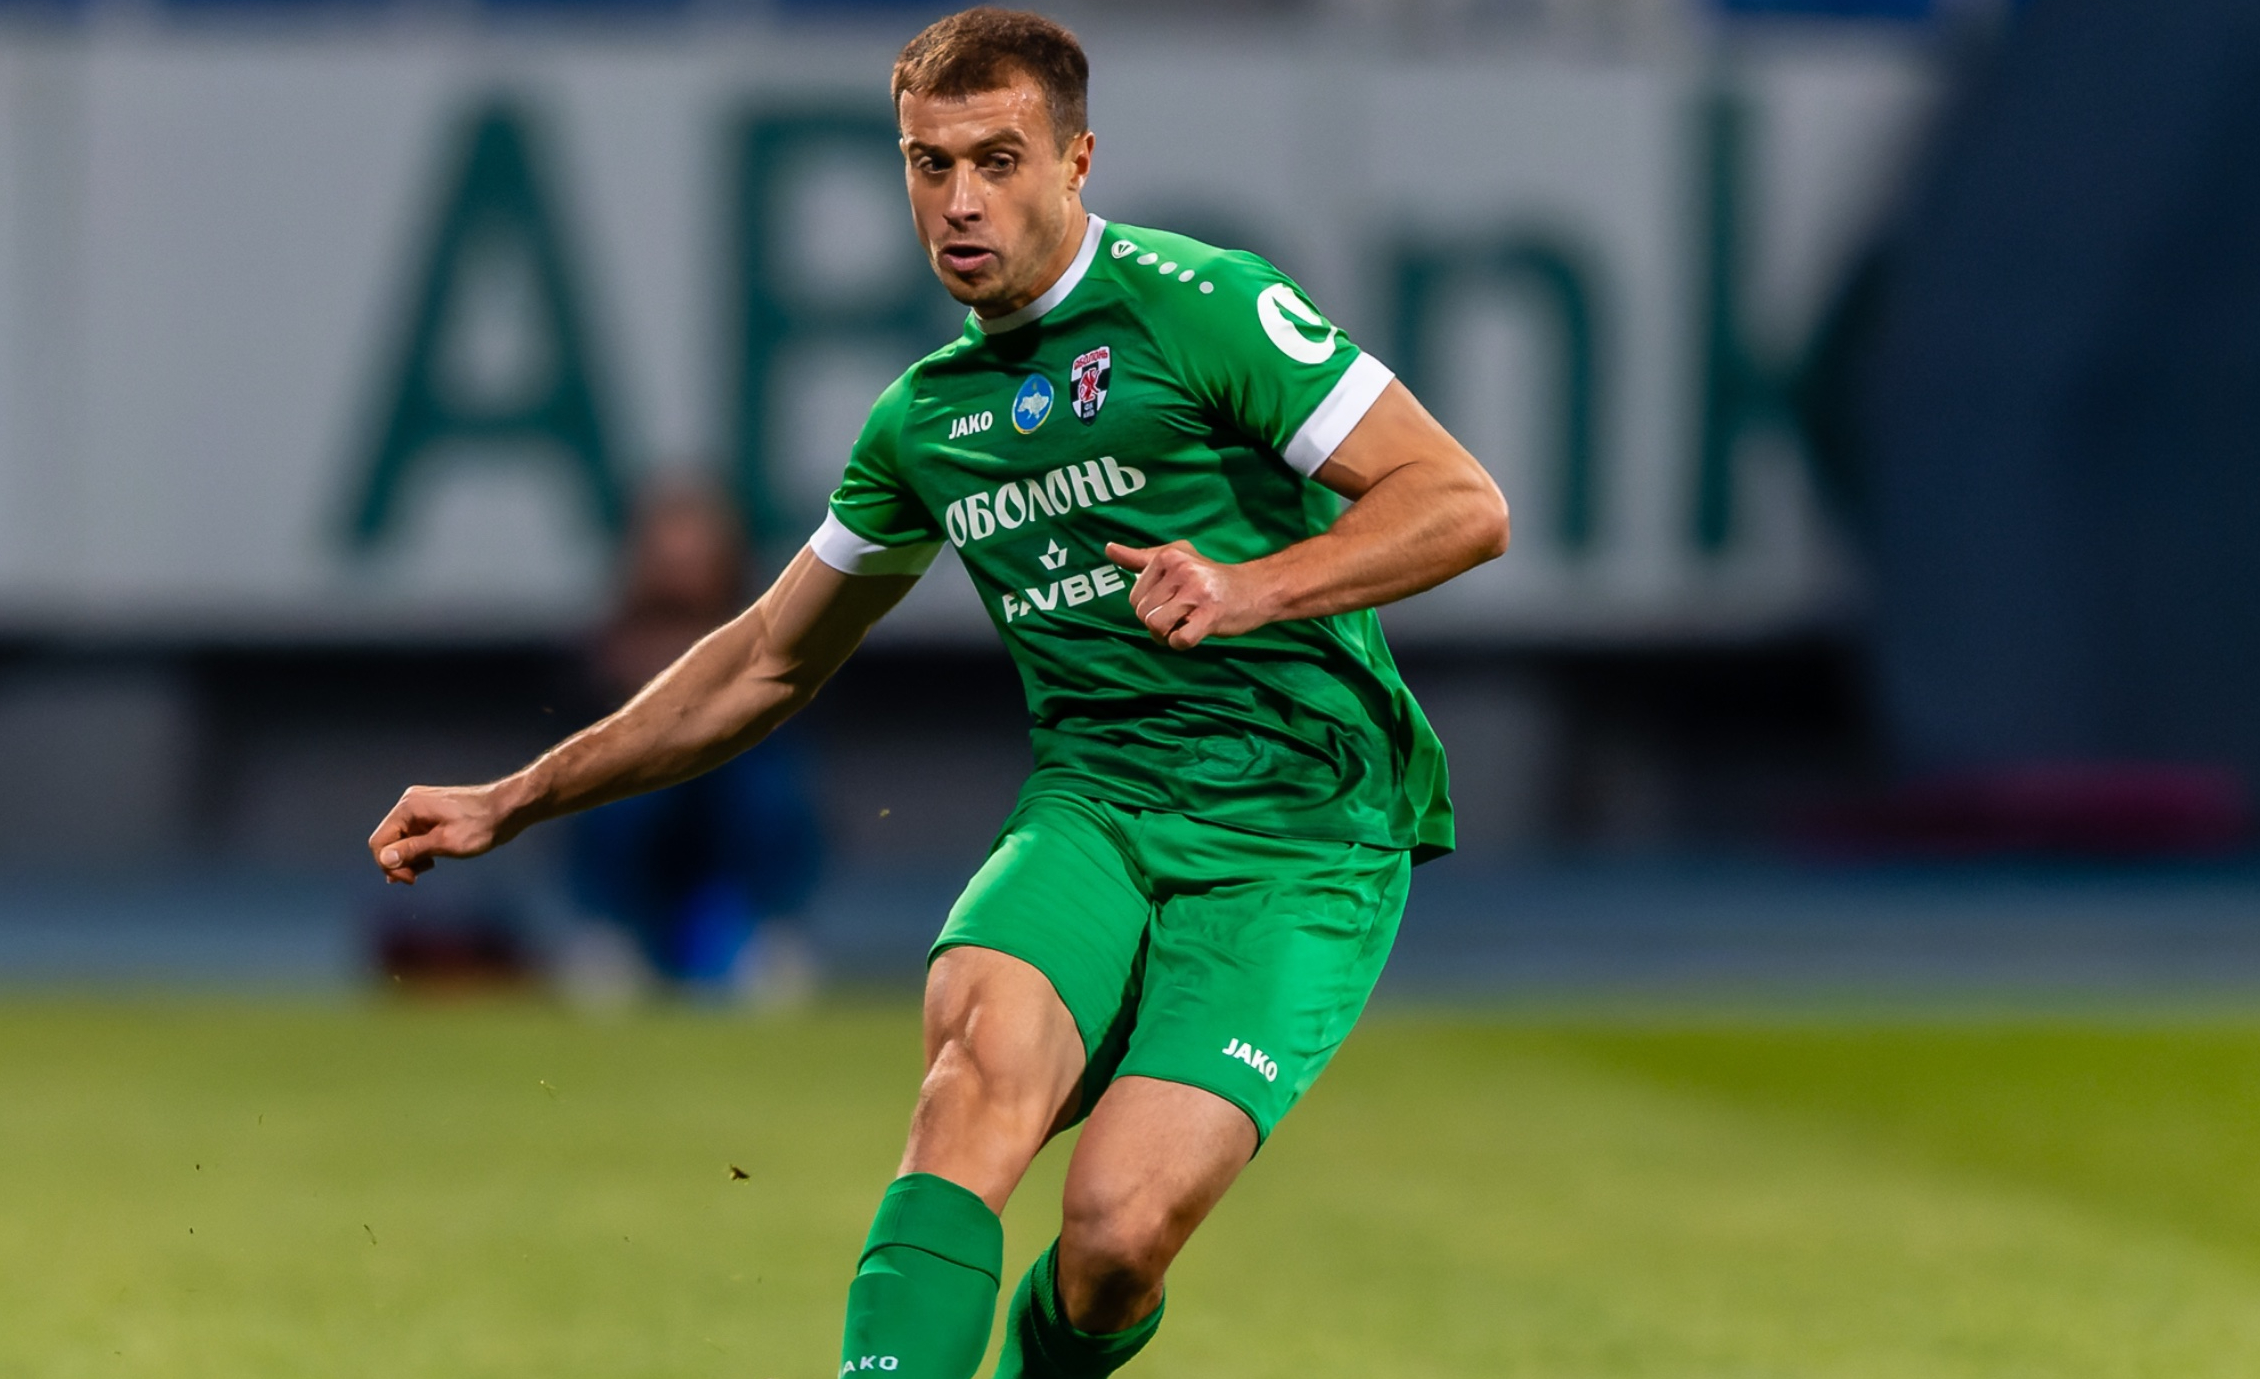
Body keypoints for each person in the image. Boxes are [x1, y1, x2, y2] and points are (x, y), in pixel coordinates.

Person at [366, 7, 1509, 1374]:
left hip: (1301, 832)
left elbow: (1460, 501)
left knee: (1114, 1235)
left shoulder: (1199, 305)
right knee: (972, 1082)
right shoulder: (926, 420)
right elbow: (766, 656)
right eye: (929, 163)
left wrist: (1252, 585)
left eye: (998, 160)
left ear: (1077, 160)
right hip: (1096, 805)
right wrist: (512, 797)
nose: (960, 200)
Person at [567, 480, 823, 993]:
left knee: (770, 793)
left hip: (732, 802)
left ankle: (766, 938)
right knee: (609, 790)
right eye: (668, 558)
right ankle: (613, 937)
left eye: (695, 557)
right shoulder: (611, 646)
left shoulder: (770, 628)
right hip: (648, 813)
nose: (680, 574)